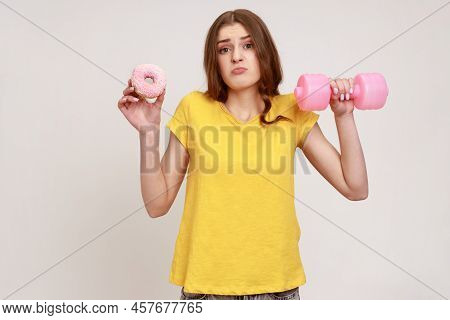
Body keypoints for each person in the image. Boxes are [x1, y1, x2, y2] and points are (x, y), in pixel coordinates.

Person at [117, 9, 368, 300]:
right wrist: (148, 132)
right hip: (207, 292)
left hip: (276, 293)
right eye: (225, 49)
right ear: (216, 61)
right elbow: (156, 205)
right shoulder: (193, 108)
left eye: (247, 45)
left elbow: (355, 188)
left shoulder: (293, 110)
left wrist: (344, 115)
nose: (237, 56)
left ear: (264, 52)